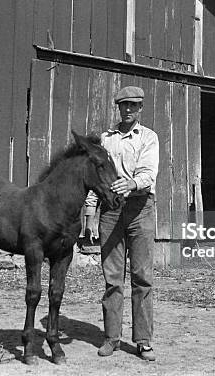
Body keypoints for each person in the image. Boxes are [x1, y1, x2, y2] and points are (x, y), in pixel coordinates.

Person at [84, 86, 159, 361]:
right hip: (111, 211)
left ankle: (143, 340)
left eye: (133, 106)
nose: (128, 110)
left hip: (140, 209)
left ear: (140, 109)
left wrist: (132, 183)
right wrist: (90, 215)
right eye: (124, 105)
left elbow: (149, 172)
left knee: (142, 278)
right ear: (118, 108)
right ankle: (111, 337)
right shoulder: (106, 139)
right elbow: (97, 179)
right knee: (112, 278)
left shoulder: (148, 137)